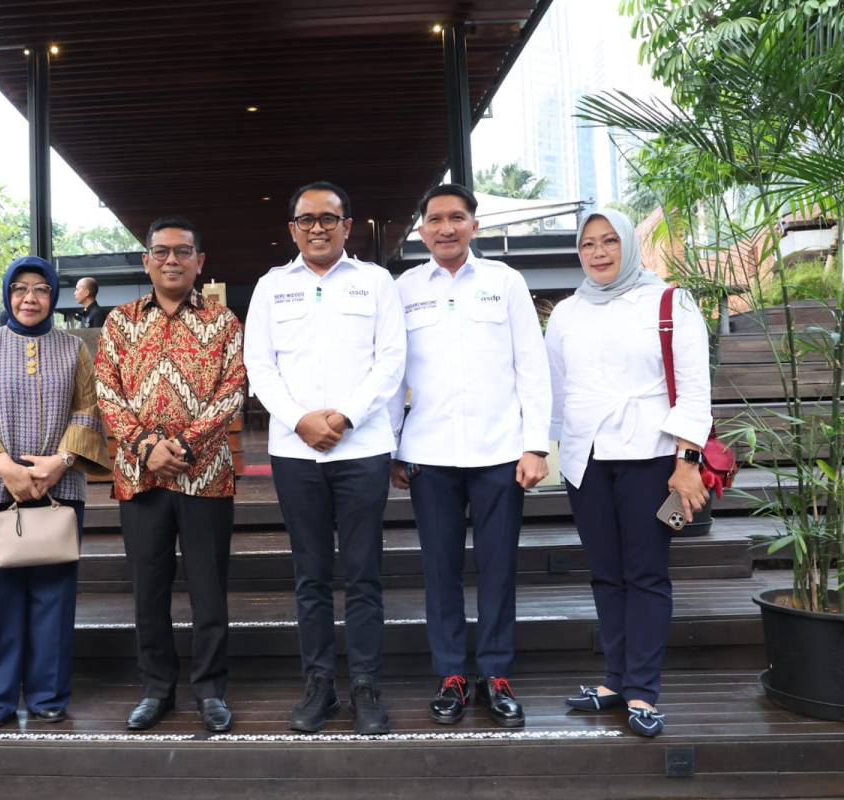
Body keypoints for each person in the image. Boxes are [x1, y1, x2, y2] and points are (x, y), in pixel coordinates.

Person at [243, 181, 406, 735]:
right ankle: (320, 686)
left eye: (328, 219)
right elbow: (260, 367)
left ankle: (365, 685)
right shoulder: (271, 287)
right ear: (292, 228)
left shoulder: (376, 282)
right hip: (295, 450)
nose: (317, 227)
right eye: (306, 219)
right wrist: (301, 420)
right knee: (310, 575)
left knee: (363, 574)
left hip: (361, 448)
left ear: (347, 225)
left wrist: (343, 418)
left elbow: (391, 361)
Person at [390, 183, 551, 729]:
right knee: (439, 570)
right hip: (429, 452)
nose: (446, 228)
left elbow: (532, 366)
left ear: (474, 226)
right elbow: (393, 375)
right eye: (435, 219)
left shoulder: (505, 283)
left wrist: (535, 445)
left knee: (498, 567)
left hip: (499, 451)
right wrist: (392, 444)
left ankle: (498, 674)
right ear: (421, 230)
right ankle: (453, 676)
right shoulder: (404, 288)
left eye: (457, 217)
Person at [546, 207, 710, 738]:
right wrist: (544, 451)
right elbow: (557, 387)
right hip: (586, 457)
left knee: (646, 574)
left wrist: (688, 463)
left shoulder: (669, 299)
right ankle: (615, 678)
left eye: (609, 241)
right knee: (605, 573)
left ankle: (642, 688)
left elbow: (693, 384)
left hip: (653, 454)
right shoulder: (568, 311)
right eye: (588, 243)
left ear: (628, 246)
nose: (598, 252)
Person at [95, 215, 245, 733]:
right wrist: (144, 447)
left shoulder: (224, 323)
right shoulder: (119, 322)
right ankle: (156, 688)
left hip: (206, 477)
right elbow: (107, 394)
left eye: (183, 251)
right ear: (147, 261)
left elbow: (233, 390)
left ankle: (210, 691)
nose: (172, 260)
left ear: (200, 262)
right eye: (161, 251)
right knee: (149, 591)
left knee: (209, 590)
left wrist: (181, 445)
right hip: (141, 479)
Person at [0, 255, 111, 731]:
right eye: (19, 288)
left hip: (59, 489)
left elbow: (88, 413)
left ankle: (47, 696)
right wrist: (8, 469)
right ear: (7, 294)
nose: (30, 298)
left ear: (54, 295)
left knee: (53, 598)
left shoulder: (74, 350)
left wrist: (55, 466)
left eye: (41, 289)